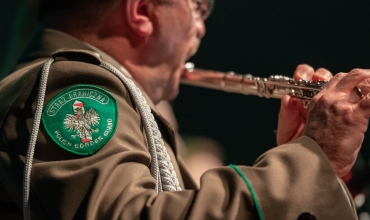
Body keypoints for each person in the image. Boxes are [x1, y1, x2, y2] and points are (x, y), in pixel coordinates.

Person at [0, 0, 369, 219]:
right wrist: (309, 160)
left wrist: (305, 164)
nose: (201, 29)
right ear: (143, 11)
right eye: (198, 6)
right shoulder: (70, 83)